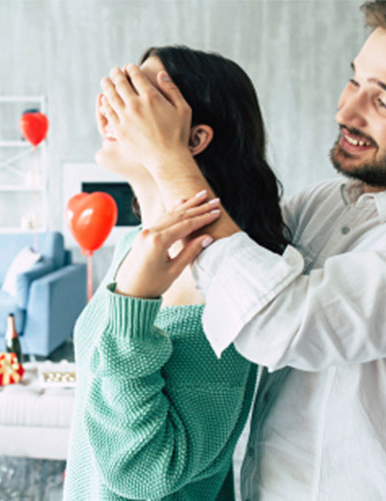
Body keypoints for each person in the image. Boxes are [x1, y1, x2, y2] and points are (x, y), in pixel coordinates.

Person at [95, 1, 386, 499]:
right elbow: (223, 243)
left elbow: (277, 324)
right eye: (355, 81)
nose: (346, 112)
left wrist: (168, 153)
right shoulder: (327, 203)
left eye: (385, 102)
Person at [62, 45, 288, 500]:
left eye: (143, 94)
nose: (117, 106)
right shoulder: (135, 246)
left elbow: (145, 471)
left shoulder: (218, 286)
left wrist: (135, 304)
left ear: (193, 139)